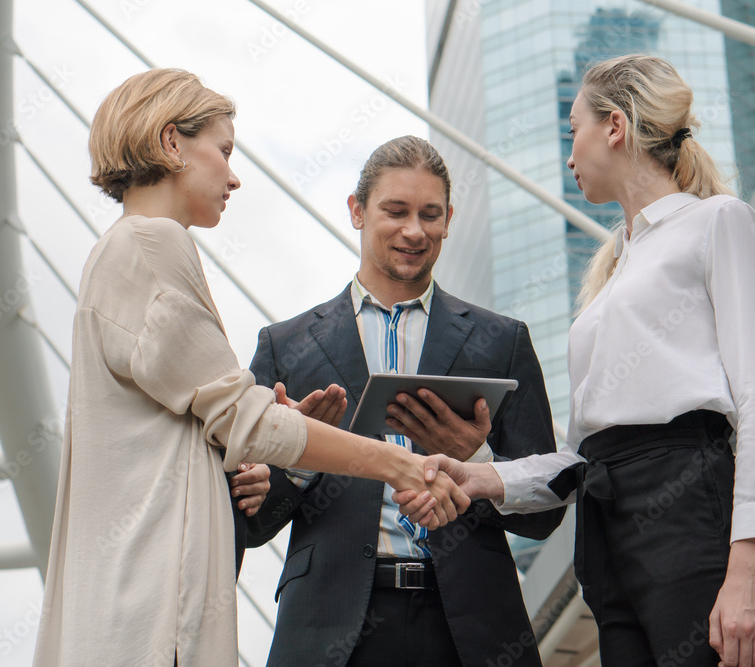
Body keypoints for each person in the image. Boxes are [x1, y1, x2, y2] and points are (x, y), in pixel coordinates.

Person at [31, 71, 467, 667]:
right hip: (152, 610)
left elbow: (207, 424)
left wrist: (273, 438)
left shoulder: (122, 250)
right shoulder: (153, 244)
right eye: (225, 150)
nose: (234, 175)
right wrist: (399, 462)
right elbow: (240, 417)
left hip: (129, 604)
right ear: (171, 142)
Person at [399, 54, 755, 667]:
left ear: (614, 126)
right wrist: (483, 477)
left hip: (691, 507)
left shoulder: (719, 222)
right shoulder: (607, 278)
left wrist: (748, 564)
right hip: (606, 528)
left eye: (572, 130)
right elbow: (582, 457)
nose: (569, 153)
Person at [233, 136, 565, 667]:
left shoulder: (503, 341)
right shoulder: (285, 346)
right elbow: (248, 523)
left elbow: (544, 515)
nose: (415, 230)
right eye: (396, 211)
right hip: (329, 626)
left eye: (430, 214)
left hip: (473, 626)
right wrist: (297, 464)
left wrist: (478, 460)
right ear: (357, 211)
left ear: (449, 219)